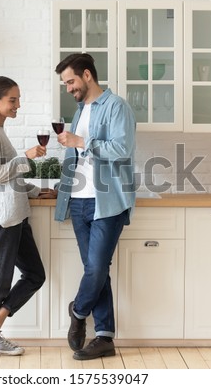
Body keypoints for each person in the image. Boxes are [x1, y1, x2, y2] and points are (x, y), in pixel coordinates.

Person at [0, 76, 56, 358]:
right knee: (0, 278)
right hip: (5, 218)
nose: (18, 105)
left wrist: (35, 191)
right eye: (12, 100)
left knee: (34, 274)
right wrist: (26, 158)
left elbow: (9, 179)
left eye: (18, 99)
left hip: (16, 215)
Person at [54, 53, 136, 361]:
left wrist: (80, 142)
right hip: (78, 201)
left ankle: (78, 311)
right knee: (96, 271)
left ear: (87, 75)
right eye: (65, 83)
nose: (68, 88)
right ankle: (104, 337)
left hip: (107, 201)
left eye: (71, 81)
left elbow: (122, 148)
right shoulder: (79, 110)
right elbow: (78, 157)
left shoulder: (117, 107)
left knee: (98, 267)